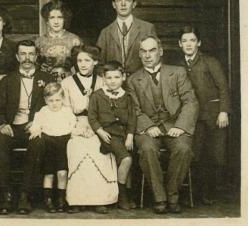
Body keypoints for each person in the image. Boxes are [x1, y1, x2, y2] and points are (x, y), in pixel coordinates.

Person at [127, 35, 198, 214]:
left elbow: (190, 102)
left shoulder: (178, 72)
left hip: (174, 124)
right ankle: (160, 197)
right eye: (143, 51)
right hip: (148, 128)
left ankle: (172, 194)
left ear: (160, 51)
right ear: (139, 54)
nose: (148, 55)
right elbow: (134, 109)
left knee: (183, 148)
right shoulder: (133, 80)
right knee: (147, 149)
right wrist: (148, 126)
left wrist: (180, 126)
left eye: (152, 50)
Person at [0, 40, 54, 215]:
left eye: (31, 54)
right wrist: (3, 124)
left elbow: (52, 106)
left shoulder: (46, 78)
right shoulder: (7, 80)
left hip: (35, 126)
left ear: (36, 56)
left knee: (38, 144)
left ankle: (25, 195)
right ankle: (7, 194)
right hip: (13, 126)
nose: (27, 58)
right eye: (23, 54)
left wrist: (37, 122)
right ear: (18, 57)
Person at [178, 26, 231, 205]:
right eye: (185, 41)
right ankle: (197, 194)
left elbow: (223, 87)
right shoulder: (178, 65)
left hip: (214, 116)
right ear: (179, 44)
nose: (188, 44)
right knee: (197, 154)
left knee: (217, 156)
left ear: (198, 43)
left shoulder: (210, 61)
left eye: (192, 40)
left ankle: (211, 192)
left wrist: (223, 111)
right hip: (194, 118)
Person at [62, 44, 118, 214]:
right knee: (76, 147)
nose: (83, 64)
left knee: (99, 148)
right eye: (79, 60)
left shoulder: (102, 81)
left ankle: (99, 199)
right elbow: (65, 110)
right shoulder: (67, 82)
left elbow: (109, 109)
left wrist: (95, 127)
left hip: (98, 126)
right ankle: (78, 200)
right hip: (76, 125)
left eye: (87, 60)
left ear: (95, 61)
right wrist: (77, 127)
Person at [88, 61, 136, 210]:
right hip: (108, 134)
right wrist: (100, 131)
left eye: (116, 77)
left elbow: (132, 118)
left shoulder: (127, 96)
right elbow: (92, 117)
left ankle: (128, 192)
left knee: (135, 157)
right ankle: (122, 195)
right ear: (103, 78)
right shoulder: (97, 96)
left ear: (123, 77)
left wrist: (129, 135)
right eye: (109, 78)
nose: (113, 81)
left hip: (123, 134)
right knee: (127, 159)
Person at [29, 83, 77, 213]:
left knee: (62, 173)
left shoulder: (67, 111)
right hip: (48, 143)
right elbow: (35, 125)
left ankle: (61, 199)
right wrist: (36, 129)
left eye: (57, 100)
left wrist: (77, 131)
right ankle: (48, 200)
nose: (54, 104)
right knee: (49, 173)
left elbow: (74, 125)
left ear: (62, 99)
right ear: (45, 100)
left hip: (63, 143)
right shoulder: (43, 112)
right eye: (51, 100)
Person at [96, 0, 156, 76]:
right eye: (119, 0)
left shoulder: (147, 28)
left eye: (127, 0)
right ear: (114, 5)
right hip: (115, 85)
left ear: (134, 4)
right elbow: (99, 64)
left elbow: (156, 59)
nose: (123, 4)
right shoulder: (105, 33)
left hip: (140, 84)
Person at [36, 0, 81, 73]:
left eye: (60, 17)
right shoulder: (40, 41)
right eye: (52, 17)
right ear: (47, 21)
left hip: (69, 80)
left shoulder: (74, 40)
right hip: (46, 80)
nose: (56, 22)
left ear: (65, 19)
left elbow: (80, 65)